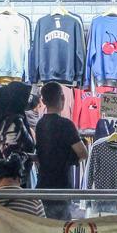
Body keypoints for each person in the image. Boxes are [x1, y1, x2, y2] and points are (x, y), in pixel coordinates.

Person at [35, 82, 88, 220]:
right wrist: (70, 159)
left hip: (43, 184)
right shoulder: (66, 125)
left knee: (44, 225)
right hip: (62, 185)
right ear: (62, 98)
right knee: (62, 228)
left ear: (43, 101)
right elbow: (83, 153)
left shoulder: (40, 125)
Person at [0, 82, 36, 188]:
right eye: (24, 98)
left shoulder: (0, 120)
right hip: (12, 181)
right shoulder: (15, 122)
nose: (27, 101)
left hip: (1, 180)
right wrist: (33, 157)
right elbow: (12, 156)